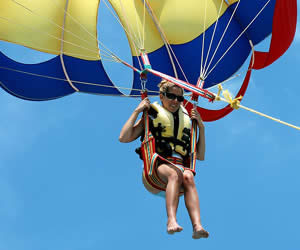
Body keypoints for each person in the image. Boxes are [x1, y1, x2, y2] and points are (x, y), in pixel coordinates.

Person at [119, 80, 209, 239]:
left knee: (188, 176)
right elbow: (124, 137)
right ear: (161, 96)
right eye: (171, 96)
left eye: (179, 99)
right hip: (156, 167)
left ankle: (197, 226)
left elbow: (200, 156)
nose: (175, 101)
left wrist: (200, 126)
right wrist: (137, 111)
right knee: (174, 174)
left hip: (180, 169)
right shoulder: (151, 114)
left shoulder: (187, 118)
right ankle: (171, 221)